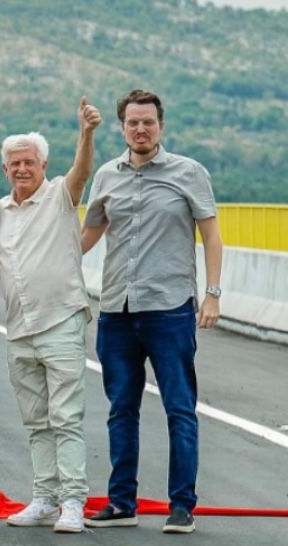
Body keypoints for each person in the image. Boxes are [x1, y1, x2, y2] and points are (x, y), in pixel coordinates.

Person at [81, 89, 223, 535]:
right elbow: (86, 237)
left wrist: (213, 293)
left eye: (148, 122)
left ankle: (182, 506)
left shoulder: (188, 173)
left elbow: (211, 236)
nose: (140, 129)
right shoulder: (106, 176)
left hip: (169, 309)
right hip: (117, 309)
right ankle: (122, 502)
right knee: (121, 409)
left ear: (160, 126)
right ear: (122, 127)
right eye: (132, 122)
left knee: (180, 408)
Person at [0, 99, 102, 533]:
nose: (21, 169)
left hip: (61, 320)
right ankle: (44, 498)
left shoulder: (60, 196)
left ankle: (73, 501)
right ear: (5, 168)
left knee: (65, 417)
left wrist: (85, 133)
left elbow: (82, 172)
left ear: (43, 164)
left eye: (29, 162)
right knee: (36, 421)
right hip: (19, 328)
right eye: (14, 163)